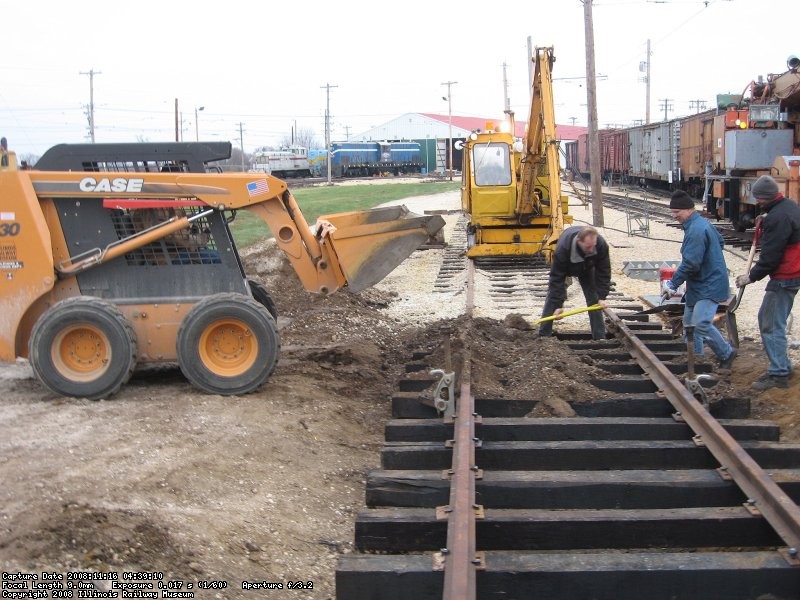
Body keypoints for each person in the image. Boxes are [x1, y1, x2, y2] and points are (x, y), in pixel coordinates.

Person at [735, 175, 800, 391]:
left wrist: (751, 276)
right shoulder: (789, 206)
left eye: (758, 199)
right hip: (794, 272)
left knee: (770, 323)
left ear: (763, 198)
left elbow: (771, 257)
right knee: (774, 321)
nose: (757, 203)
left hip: (785, 275)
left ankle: (779, 373)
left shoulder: (776, 218)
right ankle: (782, 366)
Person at [663, 190, 737, 369]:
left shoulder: (696, 230)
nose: (674, 216)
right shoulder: (701, 224)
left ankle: (726, 353)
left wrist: (673, 283)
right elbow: (719, 242)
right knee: (689, 325)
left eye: (676, 212)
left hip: (709, 286)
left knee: (700, 324)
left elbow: (691, 264)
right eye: (672, 212)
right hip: (700, 284)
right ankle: (696, 359)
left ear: (688, 210)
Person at [539, 225, 610, 340]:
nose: (592, 250)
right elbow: (556, 279)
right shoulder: (563, 249)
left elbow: (604, 271)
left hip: (587, 266)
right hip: (567, 266)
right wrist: (558, 305)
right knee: (552, 295)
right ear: (579, 242)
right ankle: (544, 334)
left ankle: (599, 337)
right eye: (588, 247)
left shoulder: (600, 244)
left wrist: (602, 296)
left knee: (594, 298)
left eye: (593, 246)